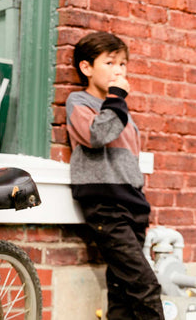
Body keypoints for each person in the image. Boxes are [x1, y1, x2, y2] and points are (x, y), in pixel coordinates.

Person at [66, 31, 164, 320]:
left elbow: (128, 160)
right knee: (145, 285)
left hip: (132, 205)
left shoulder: (118, 109)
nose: (120, 70)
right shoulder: (79, 102)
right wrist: (117, 98)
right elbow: (98, 135)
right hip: (107, 207)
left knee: (122, 289)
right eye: (110, 63)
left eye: (123, 63)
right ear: (86, 68)